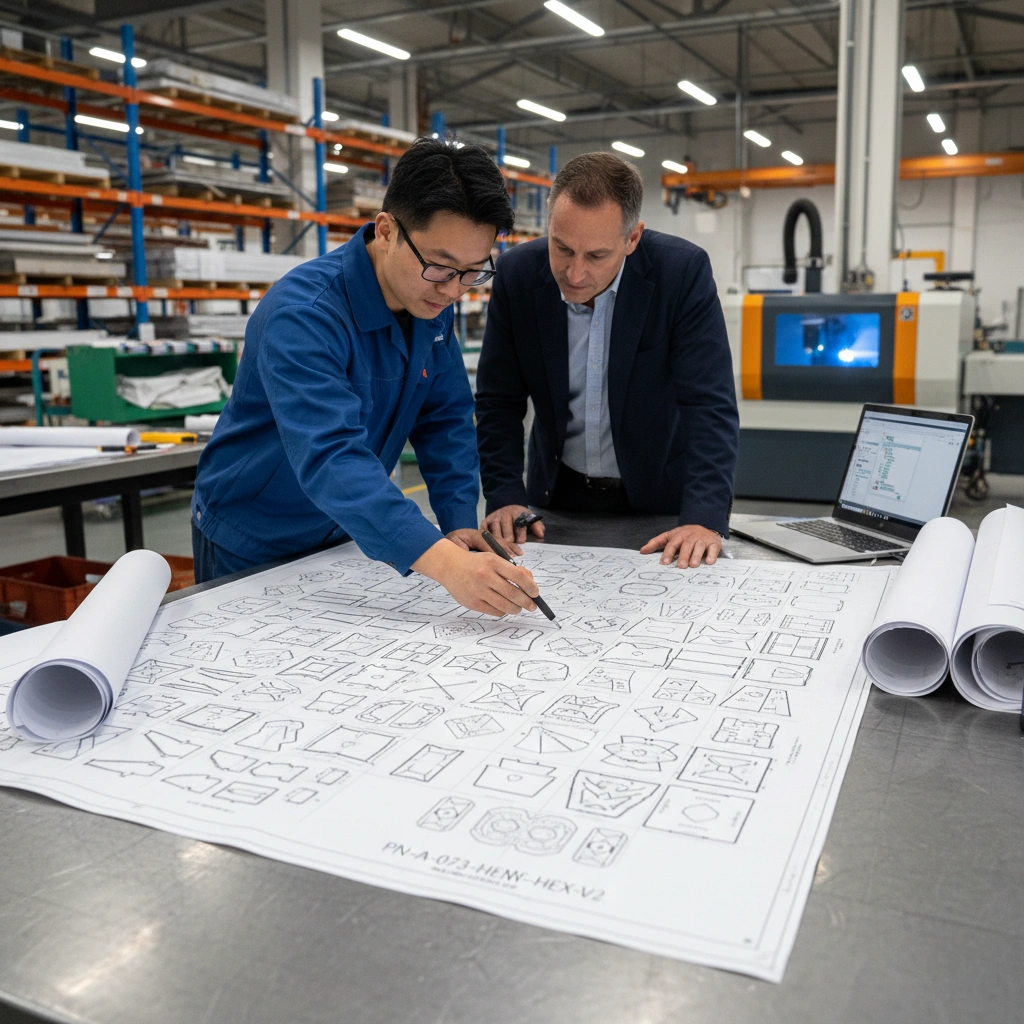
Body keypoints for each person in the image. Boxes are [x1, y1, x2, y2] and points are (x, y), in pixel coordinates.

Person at [191, 138, 539, 617]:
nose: (452, 290)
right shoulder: (304, 314)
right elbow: (331, 455)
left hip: (344, 530)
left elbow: (445, 418)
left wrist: (458, 521)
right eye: (440, 267)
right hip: (254, 536)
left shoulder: (428, 302)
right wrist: (447, 564)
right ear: (387, 230)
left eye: (472, 273)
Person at [475, 151, 739, 567]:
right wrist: (505, 494)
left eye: (596, 256)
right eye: (562, 248)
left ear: (632, 238)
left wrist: (705, 516)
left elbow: (709, 405)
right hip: (555, 499)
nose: (575, 273)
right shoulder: (517, 275)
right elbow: (498, 400)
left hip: (660, 505)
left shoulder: (680, 274)